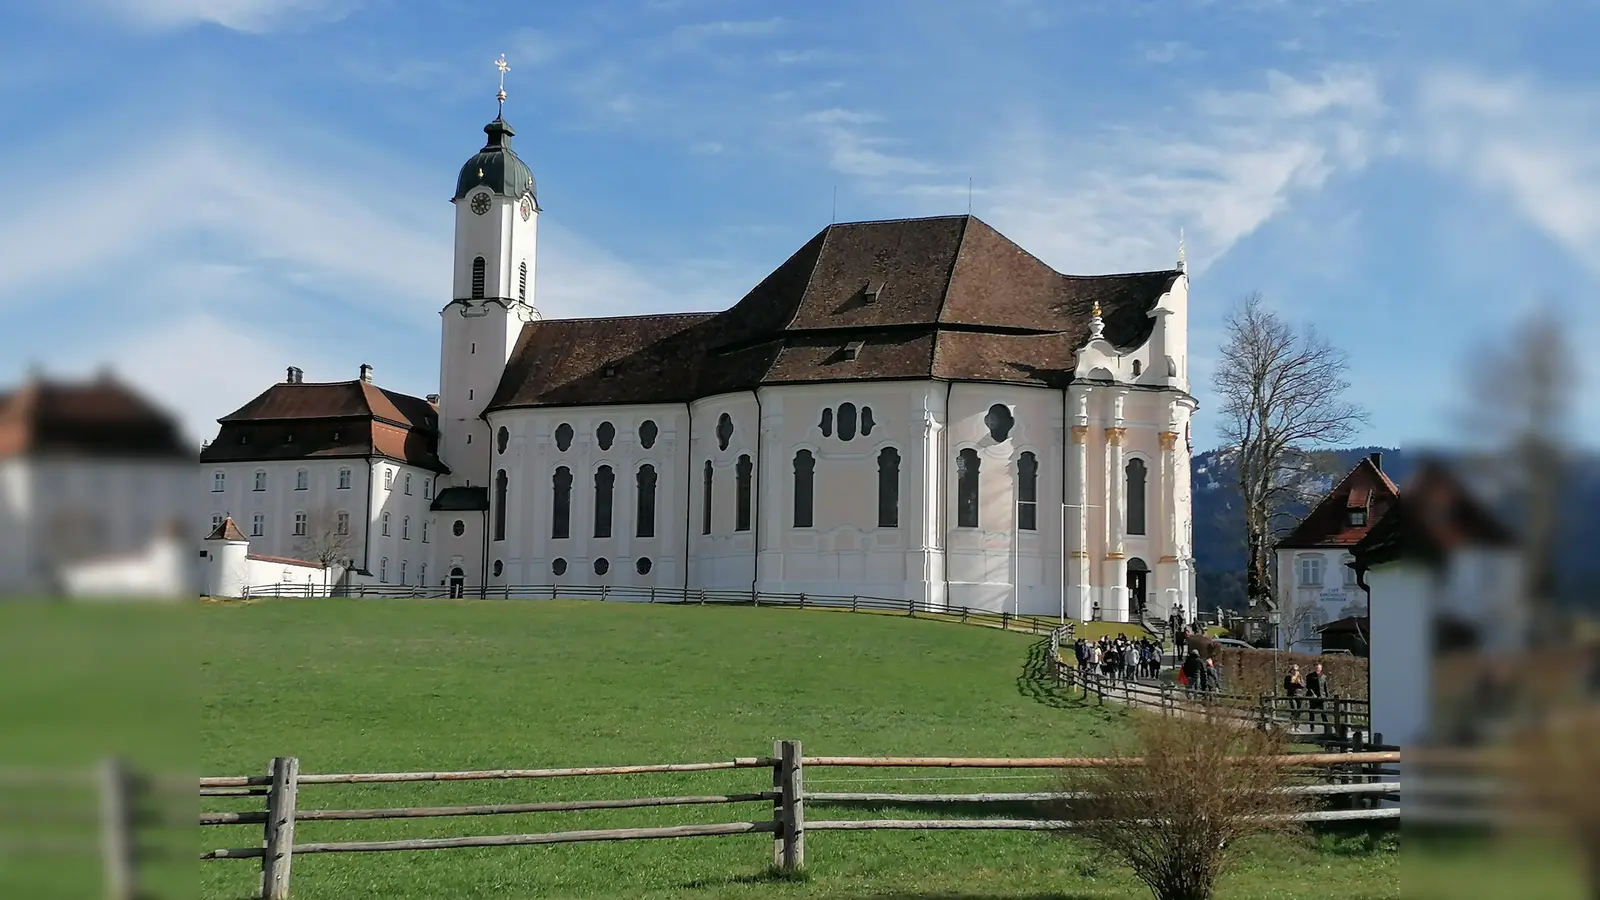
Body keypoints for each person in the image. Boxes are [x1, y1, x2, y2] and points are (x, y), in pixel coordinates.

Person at [1305, 662, 1328, 728]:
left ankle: (1326, 727)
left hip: (1322, 697)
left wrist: (1327, 696)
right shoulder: (1310, 676)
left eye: (1319, 668)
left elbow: (1326, 687)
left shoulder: (1324, 676)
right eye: (1316, 668)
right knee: (1312, 712)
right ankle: (1312, 727)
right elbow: (1308, 686)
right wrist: (1313, 694)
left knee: (1323, 712)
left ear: (1321, 669)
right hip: (1313, 697)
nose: (1318, 669)